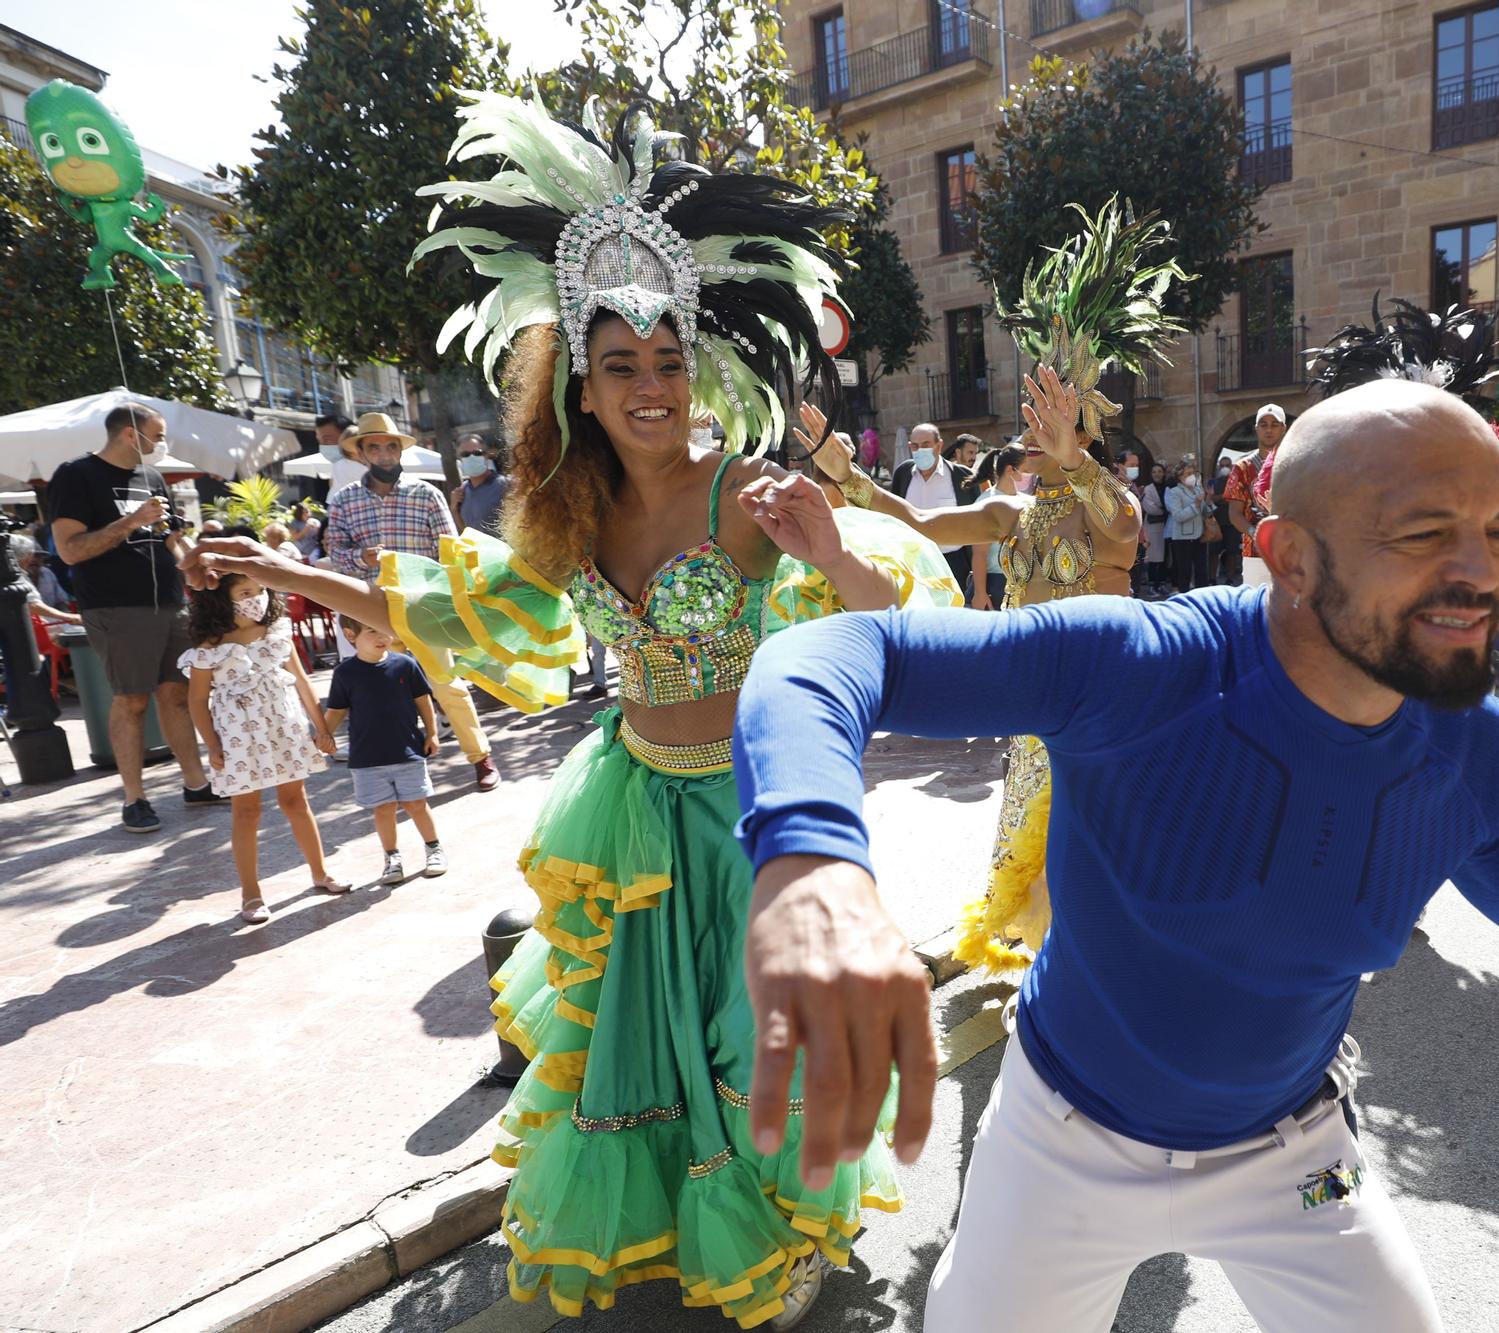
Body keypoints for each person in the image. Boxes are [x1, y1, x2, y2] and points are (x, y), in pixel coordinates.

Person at [730, 380, 1499, 1333]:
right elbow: (832, 655)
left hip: (1298, 1156)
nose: (1483, 574)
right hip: (1057, 1138)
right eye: (1423, 533)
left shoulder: (1472, 752)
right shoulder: (1140, 665)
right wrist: (812, 860)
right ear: (1282, 554)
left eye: (1496, 532)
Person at [181, 97, 958, 1326]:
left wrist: (821, 539)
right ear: (578, 393)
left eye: (665, 363)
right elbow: (438, 606)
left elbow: (892, 621)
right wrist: (277, 573)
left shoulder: (745, 497)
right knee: (644, 1047)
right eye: (618, 368)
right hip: (633, 803)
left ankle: (778, 1228)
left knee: (752, 1040)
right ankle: (669, 1212)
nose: (648, 388)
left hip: (748, 812)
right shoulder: (570, 519)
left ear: (692, 371)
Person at [804, 204, 1178, 975]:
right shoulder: (1013, 509)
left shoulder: (1112, 502)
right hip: (1036, 698)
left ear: (1087, 436)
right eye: (1036, 422)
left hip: (1107, 694)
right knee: (1032, 829)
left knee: (1097, 833)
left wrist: (1077, 459)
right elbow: (918, 523)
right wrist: (848, 480)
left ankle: (1097, 959)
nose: (1037, 434)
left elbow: (1123, 526)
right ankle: (1048, 948)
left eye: (1057, 426)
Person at [46, 403, 223, 833]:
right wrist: (132, 520)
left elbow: (171, 540)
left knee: (177, 694)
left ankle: (195, 784)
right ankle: (134, 799)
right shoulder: (75, 475)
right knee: (132, 700)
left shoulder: (153, 477)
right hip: (115, 606)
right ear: (130, 435)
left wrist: (197, 566)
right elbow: (70, 550)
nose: (161, 445)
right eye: (157, 436)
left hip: (170, 602)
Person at [324, 411, 501, 792]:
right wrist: (362, 558)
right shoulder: (344, 501)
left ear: (399, 450)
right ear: (361, 454)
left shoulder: (427, 494)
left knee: (446, 684)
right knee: (378, 691)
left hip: (422, 606)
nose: (385, 454)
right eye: (375, 447)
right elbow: (334, 553)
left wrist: (455, 601)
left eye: (391, 446)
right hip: (370, 610)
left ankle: (481, 758)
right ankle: (393, 767)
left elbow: (450, 553)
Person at [182, 572, 345, 922]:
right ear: (223, 599)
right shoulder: (210, 646)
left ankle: (320, 872)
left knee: (296, 800)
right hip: (239, 739)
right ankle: (251, 894)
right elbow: (196, 700)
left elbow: (302, 682)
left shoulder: (277, 632)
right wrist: (211, 744)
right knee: (246, 812)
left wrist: (321, 728)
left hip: (284, 729)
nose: (256, 598)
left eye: (261, 591)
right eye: (245, 592)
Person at [325, 615, 447, 887]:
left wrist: (433, 732)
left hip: (408, 751)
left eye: (385, 631)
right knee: (383, 809)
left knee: (417, 804)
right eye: (372, 630)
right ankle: (392, 859)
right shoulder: (345, 673)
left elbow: (423, 701)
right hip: (367, 758)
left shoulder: (405, 664)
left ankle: (434, 849)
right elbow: (336, 710)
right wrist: (323, 735)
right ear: (350, 635)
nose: (382, 637)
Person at [891, 422, 980, 599]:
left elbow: (977, 524)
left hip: (953, 563)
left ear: (939, 445)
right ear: (909, 447)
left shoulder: (962, 476)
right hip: (914, 564)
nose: (920, 450)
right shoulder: (903, 474)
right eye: (915, 446)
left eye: (925, 445)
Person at [1226, 405, 1285, 586]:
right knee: (1254, 607)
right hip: (1254, 552)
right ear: (1256, 428)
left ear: (1284, 428)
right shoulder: (1243, 467)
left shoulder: (1294, 463)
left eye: (1274, 424)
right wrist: (1254, 533)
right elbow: (1234, 513)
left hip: (1288, 549)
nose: (1268, 429)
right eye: (1263, 424)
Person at [967, 444, 1029, 610]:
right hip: (996, 583)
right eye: (1026, 469)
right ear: (1011, 470)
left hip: (1022, 582)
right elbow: (979, 553)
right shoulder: (986, 503)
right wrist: (980, 593)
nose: (1029, 475)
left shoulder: (1026, 500)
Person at [450, 433, 511, 538]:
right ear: (459, 459)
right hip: (476, 553)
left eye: (477, 453)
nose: (471, 457)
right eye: (465, 454)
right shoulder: (462, 491)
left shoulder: (504, 485)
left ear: (486, 456)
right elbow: (466, 531)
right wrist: (454, 509)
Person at [1163, 460, 1209, 593]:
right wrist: (1195, 506)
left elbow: (1205, 511)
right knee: (1185, 572)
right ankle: (1184, 599)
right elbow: (1177, 516)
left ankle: (1203, 599)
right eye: (1188, 473)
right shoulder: (1175, 492)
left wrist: (1209, 500)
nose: (1191, 476)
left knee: (1201, 571)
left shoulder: (1198, 489)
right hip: (1183, 538)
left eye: (1193, 473)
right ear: (1180, 476)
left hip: (1200, 536)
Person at [1139, 460, 1170, 595]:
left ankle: (1162, 584)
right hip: (1153, 526)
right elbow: (1150, 507)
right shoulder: (1148, 489)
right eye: (1154, 472)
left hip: (1166, 526)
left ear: (1163, 473)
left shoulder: (1167, 487)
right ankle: (1152, 586)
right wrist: (1165, 510)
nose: (1157, 474)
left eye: (1159, 471)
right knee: (1153, 557)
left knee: (1165, 557)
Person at [316, 414, 368, 496]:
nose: (322, 445)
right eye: (319, 441)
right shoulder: (336, 469)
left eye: (327, 439)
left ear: (346, 438)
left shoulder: (371, 470)